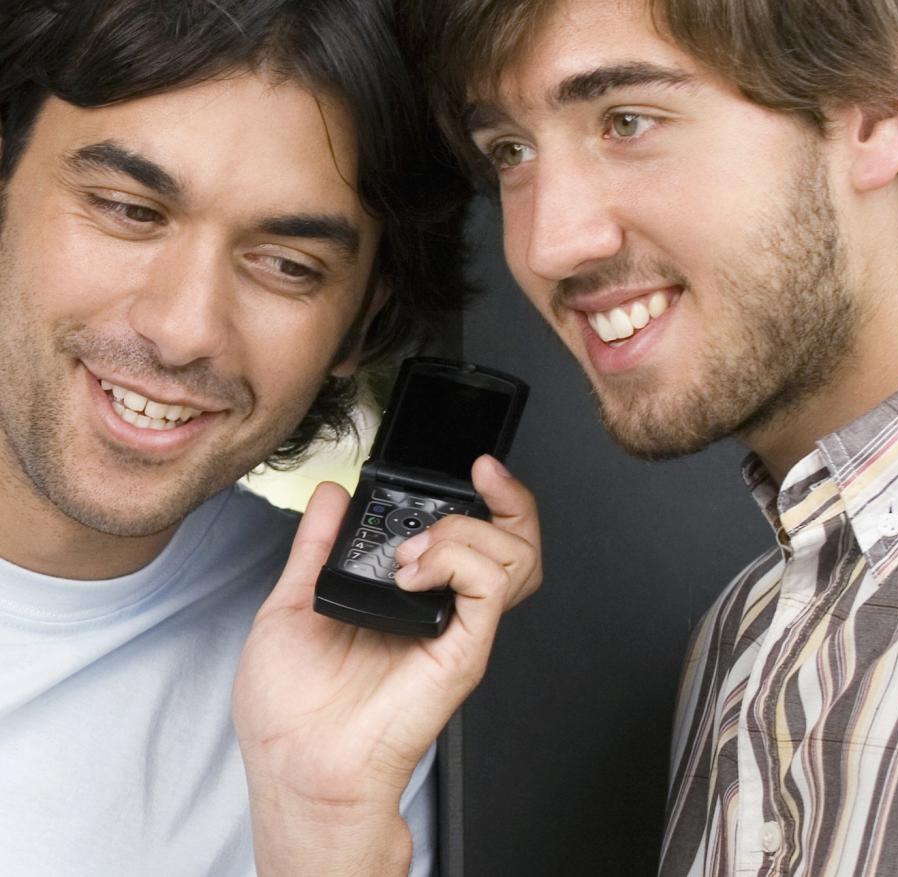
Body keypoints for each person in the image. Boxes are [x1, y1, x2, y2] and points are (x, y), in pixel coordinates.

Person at [390, 0, 898, 873]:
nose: (549, 243)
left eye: (627, 120)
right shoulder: (743, 638)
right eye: (509, 151)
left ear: (877, 105)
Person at [0, 1, 542, 875]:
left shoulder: (349, 682)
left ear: (359, 330)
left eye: (287, 266)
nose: (183, 329)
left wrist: (321, 827)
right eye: (129, 209)